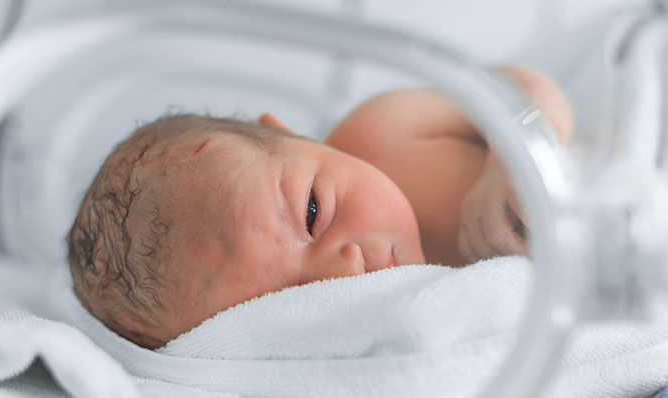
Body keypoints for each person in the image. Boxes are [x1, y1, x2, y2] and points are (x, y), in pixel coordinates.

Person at [67, 66, 573, 349]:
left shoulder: (381, 136)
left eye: (312, 213)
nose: (344, 270)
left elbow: (523, 83)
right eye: (287, 302)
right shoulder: (380, 348)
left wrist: (516, 152)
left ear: (289, 134)